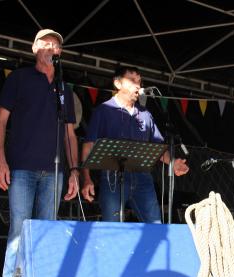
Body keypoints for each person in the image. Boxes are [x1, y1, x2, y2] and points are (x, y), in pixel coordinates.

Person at [0, 29, 79, 277]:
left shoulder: (63, 88)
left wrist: (74, 171)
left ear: (59, 53)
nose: (50, 47)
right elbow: (0, 121)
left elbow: (70, 135)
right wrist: (0, 160)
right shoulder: (20, 78)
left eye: (55, 44)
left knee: (47, 230)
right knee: (19, 229)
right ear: (34, 48)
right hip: (21, 168)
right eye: (45, 42)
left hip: (54, 172)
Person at [81, 66, 189, 223]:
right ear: (117, 84)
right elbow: (88, 145)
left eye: (139, 81)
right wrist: (86, 177)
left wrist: (172, 162)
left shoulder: (145, 114)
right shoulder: (104, 110)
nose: (138, 85)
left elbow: (158, 147)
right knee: (112, 227)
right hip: (113, 177)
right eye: (132, 80)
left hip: (143, 178)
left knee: (155, 226)